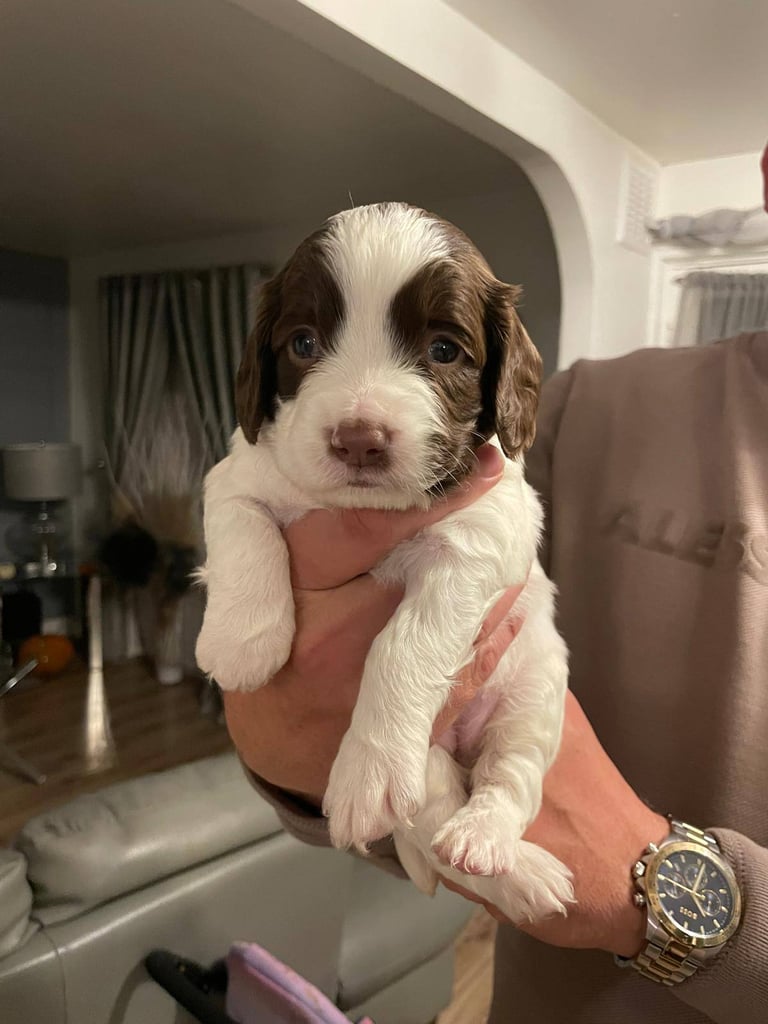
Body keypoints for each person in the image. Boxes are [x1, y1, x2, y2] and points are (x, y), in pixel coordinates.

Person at [222, 156, 768, 1022]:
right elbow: (355, 766)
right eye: (305, 344)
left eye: (441, 350)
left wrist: (665, 891)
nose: (364, 421)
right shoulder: (587, 405)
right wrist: (290, 762)